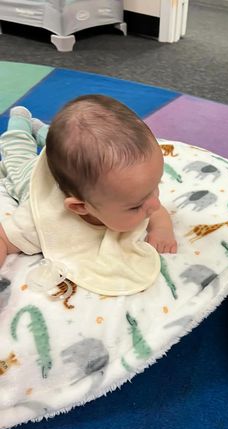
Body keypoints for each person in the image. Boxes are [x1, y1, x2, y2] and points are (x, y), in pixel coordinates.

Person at [0, 95, 177, 296]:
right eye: (136, 206)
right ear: (80, 207)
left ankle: (43, 131)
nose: (154, 204)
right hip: (28, 176)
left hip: (75, 173)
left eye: (155, 187)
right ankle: (19, 123)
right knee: (17, 156)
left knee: (72, 152)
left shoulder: (135, 195)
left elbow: (155, 211)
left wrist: (162, 229)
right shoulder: (38, 220)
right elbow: (3, 238)